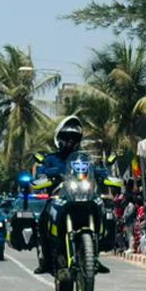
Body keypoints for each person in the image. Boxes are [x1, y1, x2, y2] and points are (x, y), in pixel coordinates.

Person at [33, 116, 110, 275]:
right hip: (59, 197)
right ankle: (45, 259)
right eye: (66, 137)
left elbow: (95, 170)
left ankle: (94, 255)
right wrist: (46, 175)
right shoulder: (51, 158)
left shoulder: (84, 159)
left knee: (107, 214)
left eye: (73, 138)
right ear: (59, 139)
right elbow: (41, 173)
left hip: (84, 195)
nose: (70, 141)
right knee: (42, 219)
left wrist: (105, 174)